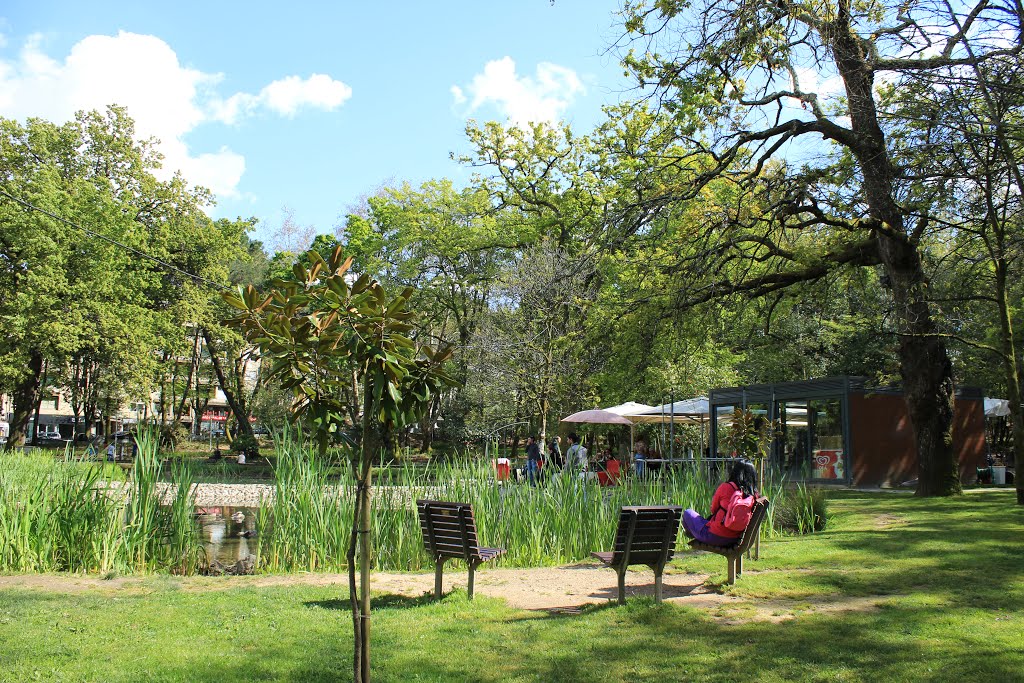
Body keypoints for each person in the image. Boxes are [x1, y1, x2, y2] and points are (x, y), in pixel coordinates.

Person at [682, 458, 759, 547]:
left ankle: (693, 534)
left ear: (735, 472)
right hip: (737, 538)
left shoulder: (726, 487)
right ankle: (695, 533)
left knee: (688, 512)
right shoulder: (754, 495)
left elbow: (713, 509)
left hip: (716, 536)